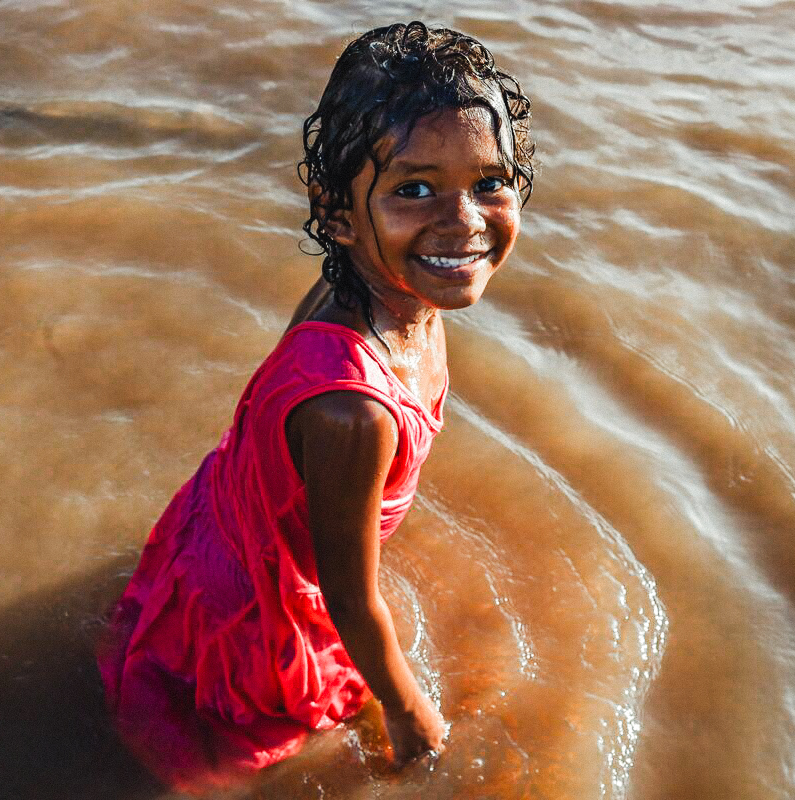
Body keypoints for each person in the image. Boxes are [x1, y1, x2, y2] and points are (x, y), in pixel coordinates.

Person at [97, 20, 536, 791]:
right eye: (414, 189)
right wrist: (404, 710)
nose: (462, 220)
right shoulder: (351, 414)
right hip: (261, 613)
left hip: (221, 523)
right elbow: (348, 595)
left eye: (490, 182)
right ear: (336, 213)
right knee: (226, 758)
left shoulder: (369, 288)